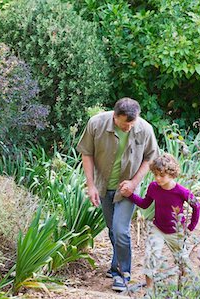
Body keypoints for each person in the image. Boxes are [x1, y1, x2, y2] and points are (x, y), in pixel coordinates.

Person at [76, 97, 159, 291]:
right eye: (124, 125)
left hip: (128, 189)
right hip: (104, 185)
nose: (128, 128)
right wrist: (91, 185)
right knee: (113, 229)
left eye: (132, 124)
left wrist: (133, 183)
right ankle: (116, 266)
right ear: (115, 117)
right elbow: (86, 153)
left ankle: (123, 274)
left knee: (121, 230)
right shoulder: (96, 124)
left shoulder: (144, 129)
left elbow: (150, 158)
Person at [120, 153, 200, 292]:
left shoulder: (181, 191)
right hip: (158, 228)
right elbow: (145, 204)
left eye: (161, 175)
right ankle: (150, 291)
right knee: (151, 257)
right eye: (155, 174)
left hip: (176, 231)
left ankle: (184, 290)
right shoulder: (153, 187)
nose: (158, 178)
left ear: (171, 174)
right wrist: (131, 195)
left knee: (182, 261)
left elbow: (196, 206)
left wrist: (190, 227)